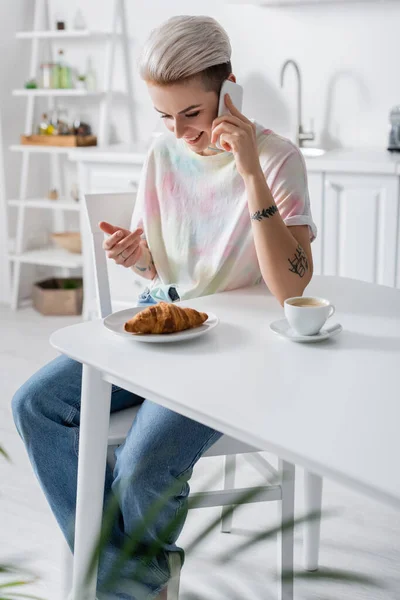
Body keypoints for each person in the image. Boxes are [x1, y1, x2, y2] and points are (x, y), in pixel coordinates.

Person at [11, 15, 317, 600]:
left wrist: (248, 167)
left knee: (145, 461)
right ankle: (136, 579)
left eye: (193, 115)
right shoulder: (160, 156)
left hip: (236, 355)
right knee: (34, 405)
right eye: (164, 117)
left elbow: (293, 290)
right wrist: (140, 257)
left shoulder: (278, 161)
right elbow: (167, 272)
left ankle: (123, 586)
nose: (179, 132)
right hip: (161, 334)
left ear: (228, 92)